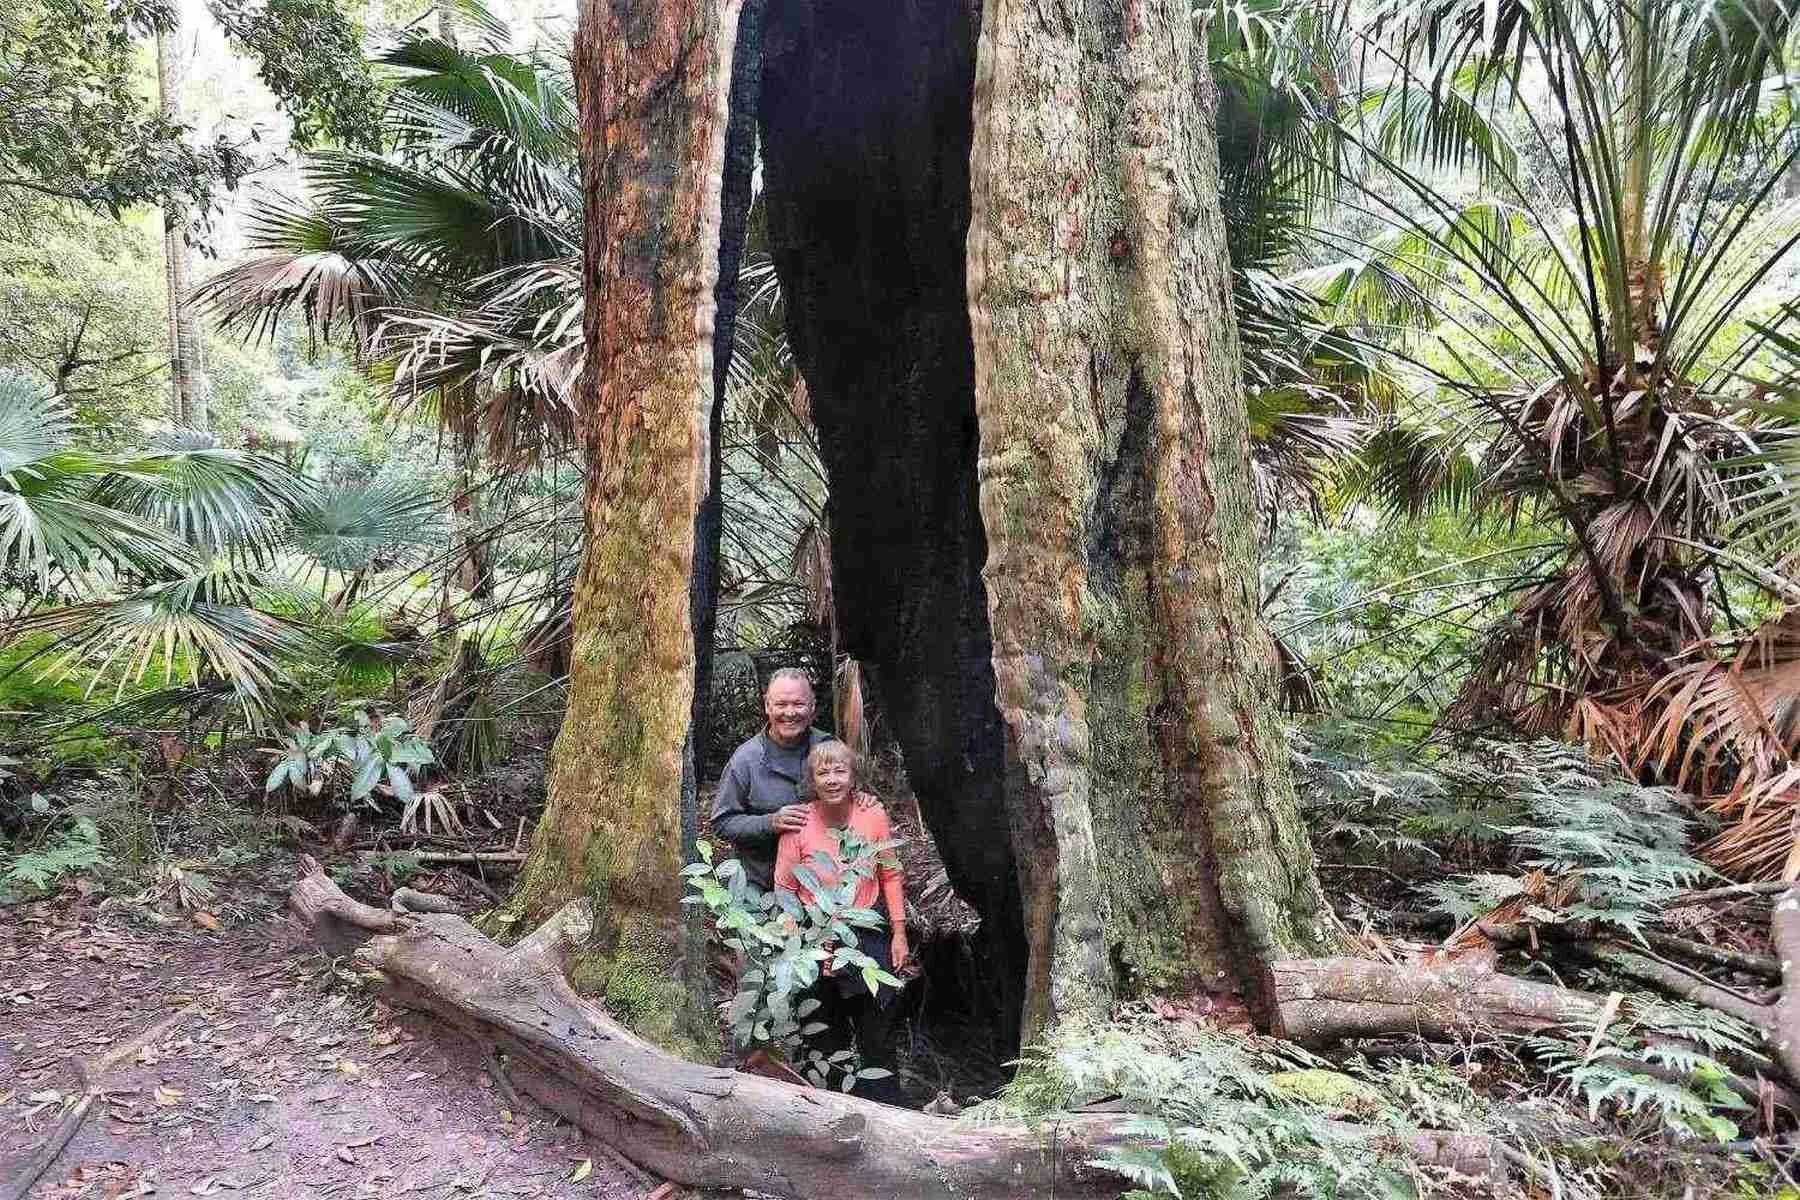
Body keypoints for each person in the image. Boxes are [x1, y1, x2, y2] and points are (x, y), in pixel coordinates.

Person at [773, 740, 910, 1105]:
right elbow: (785, 890)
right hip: (814, 937)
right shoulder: (798, 823)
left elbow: (890, 875)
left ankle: (888, 1110)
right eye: (823, 773)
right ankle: (831, 1114)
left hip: (867, 935)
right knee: (824, 1038)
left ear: (853, 778)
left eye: (840, 771)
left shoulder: (872, 816)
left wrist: (899, 933)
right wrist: (795, 947)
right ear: (811, 780)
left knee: (877, 1035)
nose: (832, 779)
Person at [711, 668, 839, 891]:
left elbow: (854, 801)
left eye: (798, 704)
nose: (790, 713)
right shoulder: (746, 760)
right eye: (781, 704)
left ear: (812, 707)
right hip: (760, 882)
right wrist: (770, 823)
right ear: (767, 706)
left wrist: (866, 804)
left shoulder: (829, 749)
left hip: (824, 883)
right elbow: (722, 822)